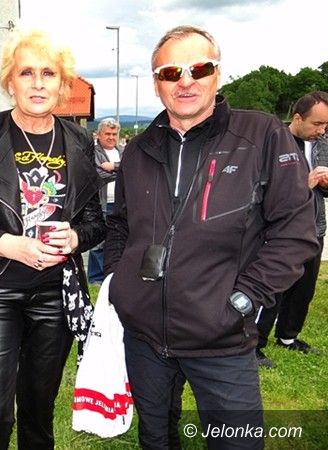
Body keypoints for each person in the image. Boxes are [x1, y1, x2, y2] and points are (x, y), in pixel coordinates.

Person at [104, 25, 319, 449]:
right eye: (171, 72)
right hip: (144, 336)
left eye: (199, 68)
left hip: (222, 337)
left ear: (217, 74)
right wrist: (120, 285)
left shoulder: (260, 134)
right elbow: (120, 225)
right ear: (157, 84)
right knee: (156, 439)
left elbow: (296, 231)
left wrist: (245, 298)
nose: (185, 81)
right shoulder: (139, 148)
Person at [0, 29, 105, 449]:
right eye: (26, 72)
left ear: (62, 84)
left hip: (55, 294)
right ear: (9, 82)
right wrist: (9, 244)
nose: (37, 83)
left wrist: (74, 238)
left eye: (48, 73)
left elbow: (95, 222)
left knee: (38, 408)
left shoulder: (80, 140)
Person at [256, 92, 328, 369]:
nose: (321, 131)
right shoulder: (274, 143)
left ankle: (288, 336)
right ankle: (254, 344)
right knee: (272, 287)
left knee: (304, 289)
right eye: (317, 124)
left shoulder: (322, 144)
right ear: (297, 118)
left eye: (326, 125)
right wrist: (303, 184)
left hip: (314, 227)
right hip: (281, 231)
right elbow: (263, 187)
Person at [87, 118, 122, 284]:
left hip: (120, 203)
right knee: (98, 242)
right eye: (107, 134)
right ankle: (96, 278)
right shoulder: (93, 152)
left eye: (114, 134)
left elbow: (133, 170)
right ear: (99, 135)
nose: (111, 137)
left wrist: (114, 166)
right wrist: (122, 171)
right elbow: (98, 175)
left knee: (117, 241)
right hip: (101, 203)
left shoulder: (123, 151)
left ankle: (114, 275)